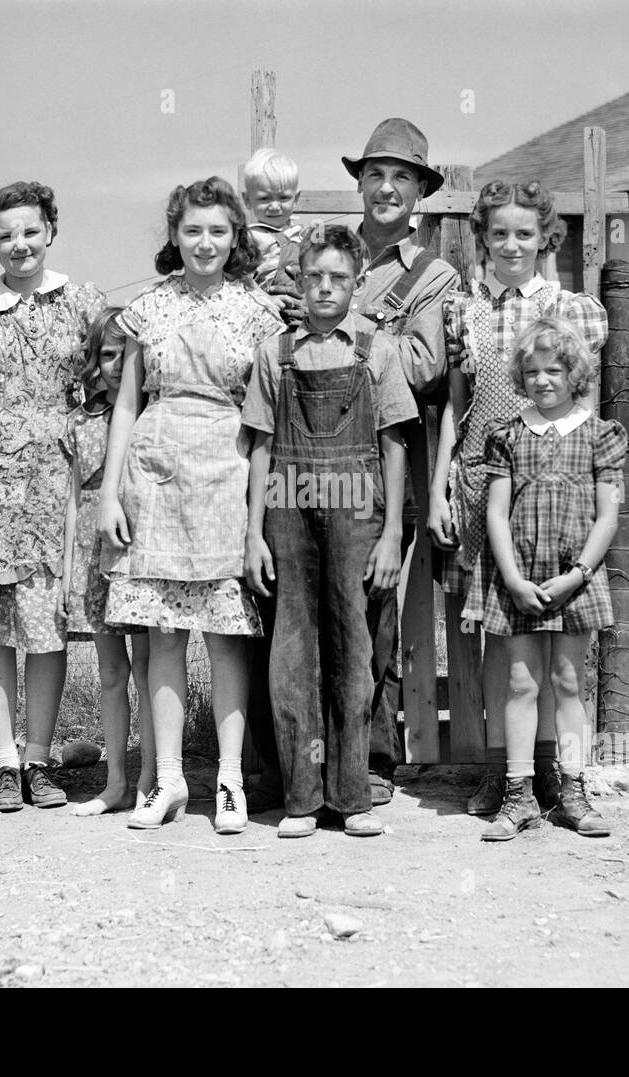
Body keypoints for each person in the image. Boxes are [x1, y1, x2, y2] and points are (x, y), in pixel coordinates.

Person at [251, 118, 459, 810]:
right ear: (359, 182)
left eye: (403, 177)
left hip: (377, 460)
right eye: (375, 174)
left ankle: (368, 764)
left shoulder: (433, 275)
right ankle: (286, 770)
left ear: (422, 191)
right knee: (290, 620)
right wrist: (301, 318)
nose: (387, 188)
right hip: (293, 462)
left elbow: (427, 368)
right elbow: (268, 332)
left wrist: (351, 330)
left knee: (369, 621)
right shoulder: (312, 256)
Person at [98, 177, 282, 835]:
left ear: (235, 238)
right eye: (193, 229)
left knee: (226, 633)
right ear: (175, 236)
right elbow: (124, 402)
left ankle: (228, 779)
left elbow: (266, 415)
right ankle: (170, 778)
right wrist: (108, 490)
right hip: (154, 472)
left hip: (224, 474)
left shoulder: (257, 312)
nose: (205, 242)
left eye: (218, 231)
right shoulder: (148, 307)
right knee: (162, 630)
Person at [425, 179, 608, 820]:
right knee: (499, 641)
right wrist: (443, 482)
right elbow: (454, 404)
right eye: (498, 233)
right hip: (481, 480)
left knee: (554, 639)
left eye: (524, 234)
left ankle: (557, 776)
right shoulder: (464, 308)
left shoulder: (570, 308)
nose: (511, 244)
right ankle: (505, 774)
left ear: (544, 239)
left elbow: (584, 409)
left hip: (551, 487)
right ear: (482, 239)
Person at [0, 180, 105, 812]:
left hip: (58, 483)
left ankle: (40, 758)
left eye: (30, 230)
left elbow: (114, 384)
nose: (19, 244)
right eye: (5, 234)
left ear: (50, 230)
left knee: (47, 625)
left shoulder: (84, 302)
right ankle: (4, 762)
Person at [243, 225, 417, 838]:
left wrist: (393, 532)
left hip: (358, 512)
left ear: (357, 281)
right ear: (299, 278)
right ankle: (301, 798)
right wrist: (253, 533)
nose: (324, 287)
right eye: (314, 275)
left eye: (338, 277)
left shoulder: (377, 350)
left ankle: (351, 796)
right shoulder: (276, 354)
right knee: (291, 647)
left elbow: (394, 443)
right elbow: (261, 445)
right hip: (286, 509)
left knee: (354, 646)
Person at [467, 317, 624, 841]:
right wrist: (511, 579)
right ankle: (518, 797)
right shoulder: (507, 435)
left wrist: (577, 575)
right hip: (519, 580)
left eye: (554, 370)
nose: (542, 380)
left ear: (574, 373)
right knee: (519, 683)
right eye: (531, 371)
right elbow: (495, 512)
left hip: (573, 580)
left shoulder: (599, 435)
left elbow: (607, 516)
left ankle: (573, 791)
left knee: (568, 682)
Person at [62, 310, 156, 815]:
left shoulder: (151, 413)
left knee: (147, 670)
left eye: (125, 353)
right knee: (111, 673)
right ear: (93, 361)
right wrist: (68, 572)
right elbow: (74, 501)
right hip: (94, 559)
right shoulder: (82, 423)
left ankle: (150, 779)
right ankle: (115, 782)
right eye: (106, 354)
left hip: (140, 548)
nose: (116, 364)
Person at [242, 148, 304, 292]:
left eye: (283, 198)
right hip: (265, 304)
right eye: (264, 198)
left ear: (296, 199)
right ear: (247, 200)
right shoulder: (250, 237)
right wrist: (265, 299)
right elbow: (239, 278)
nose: (275, 206)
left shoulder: (299, 234)